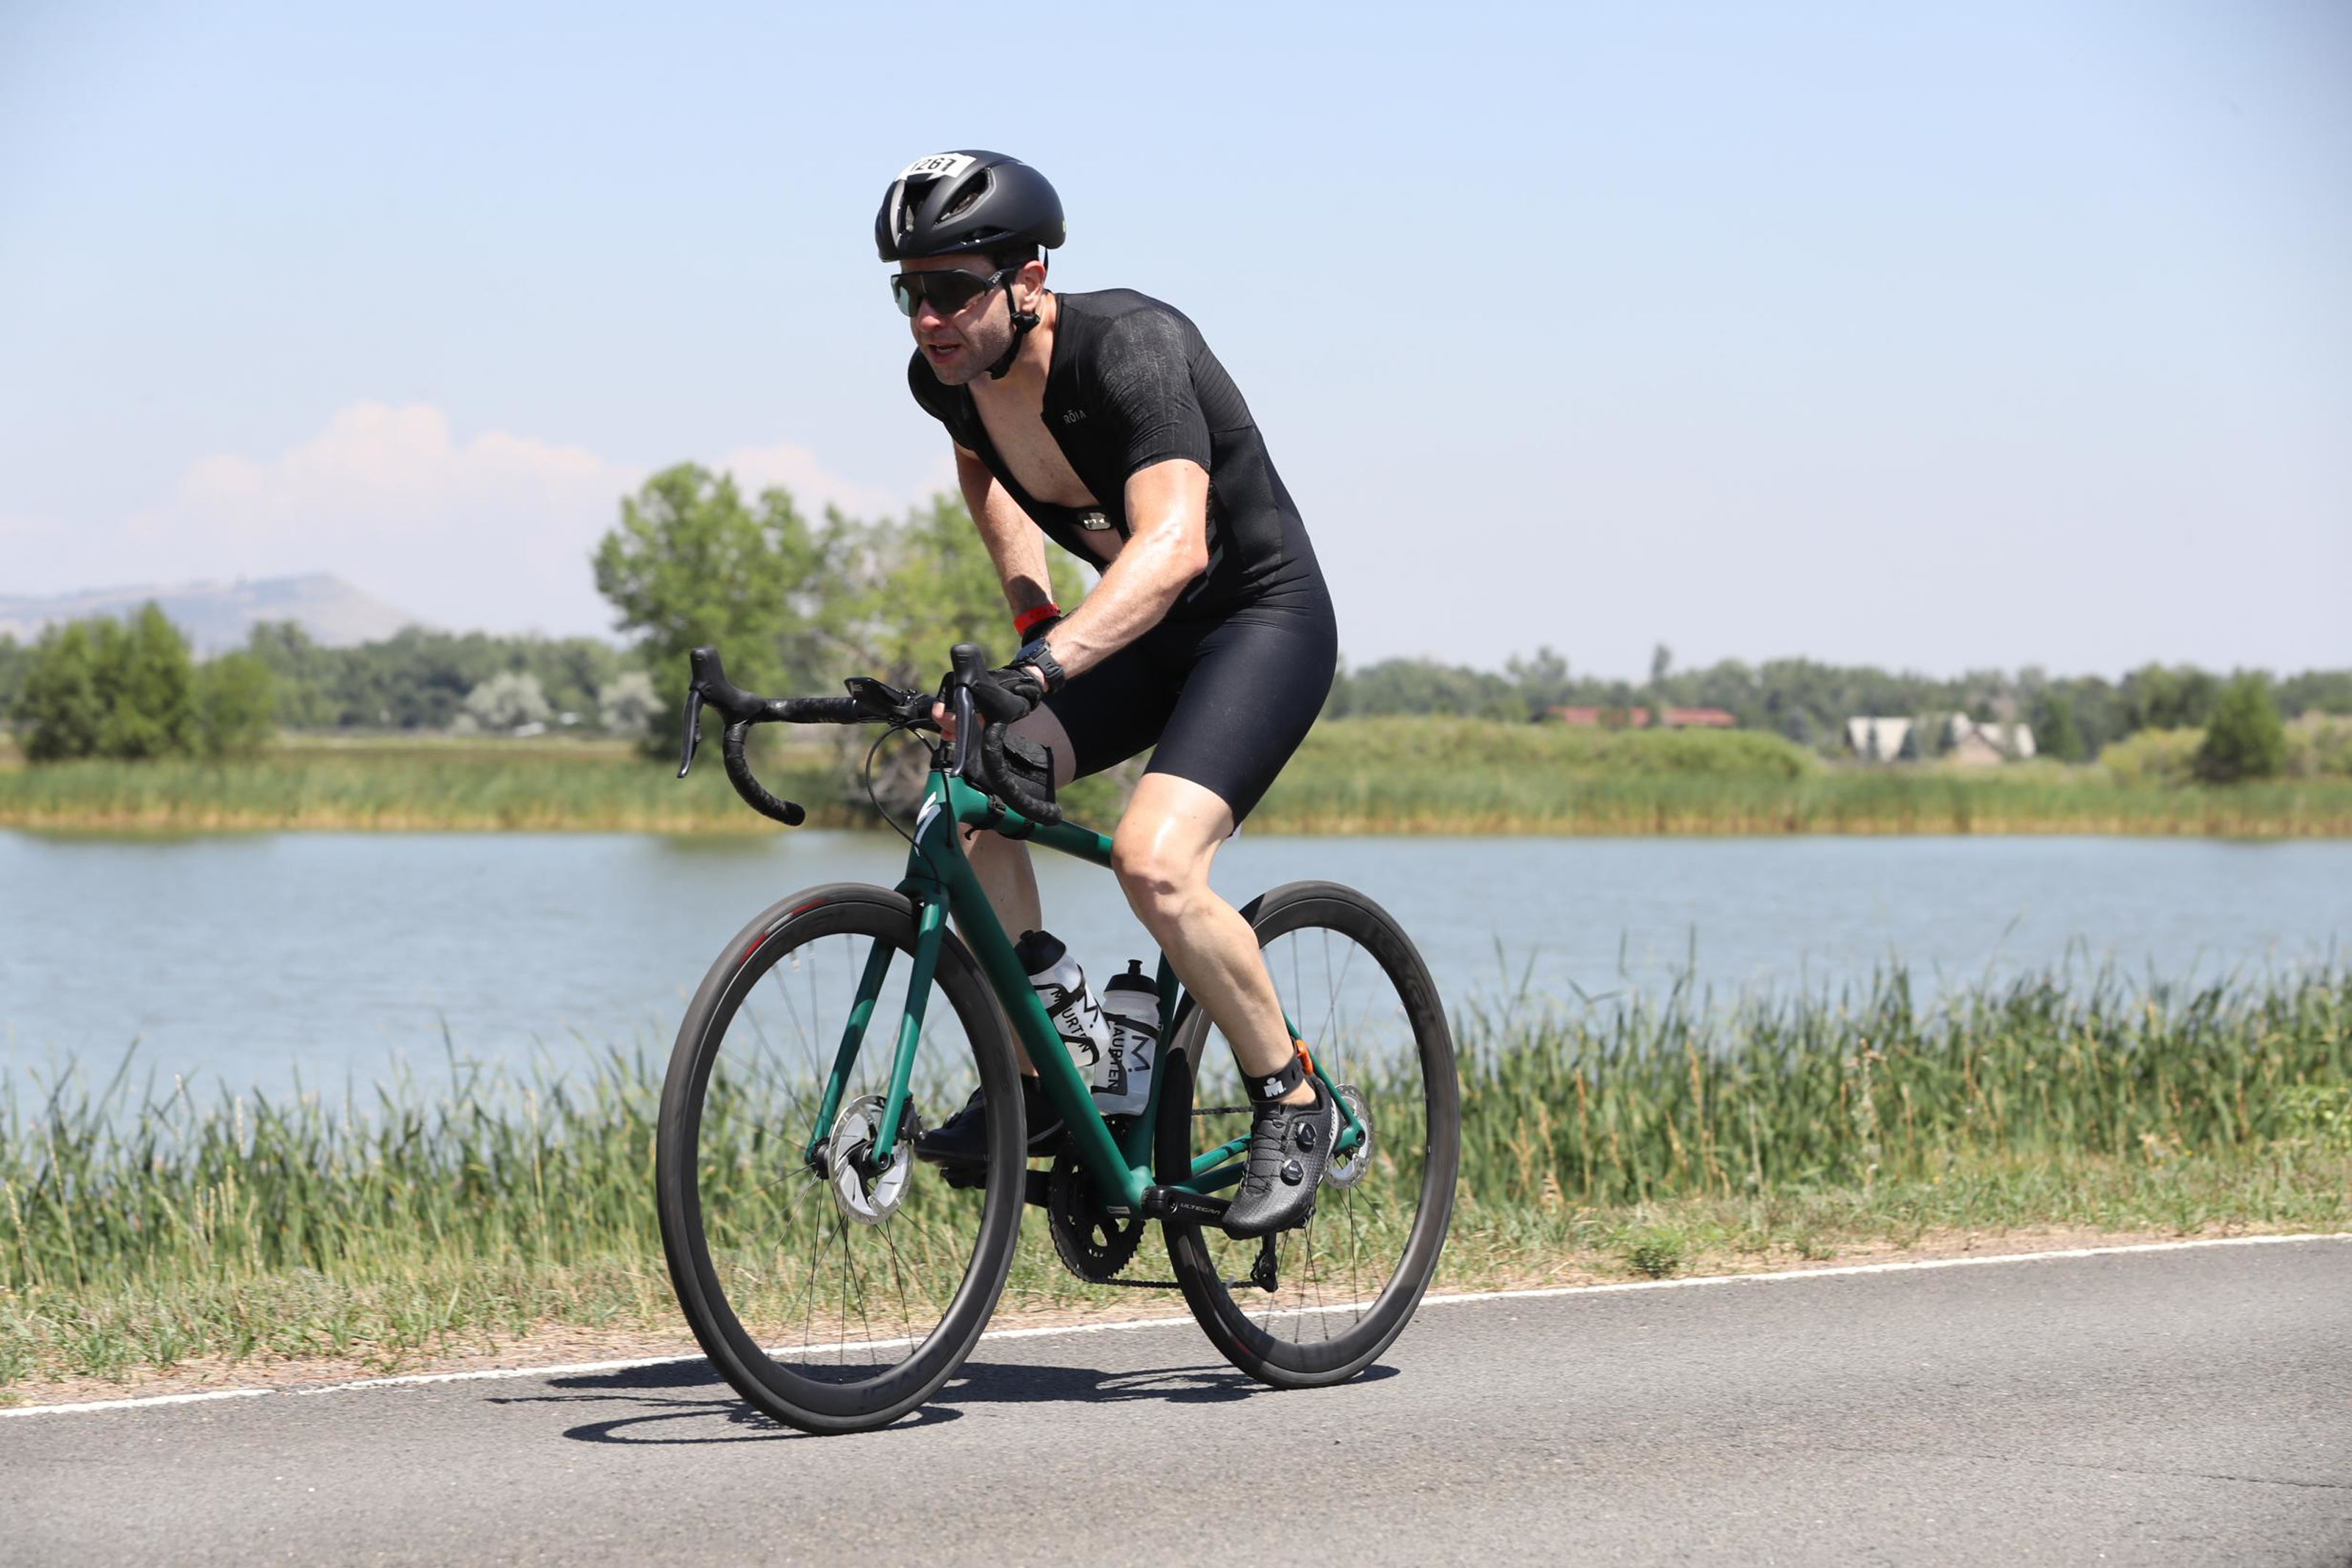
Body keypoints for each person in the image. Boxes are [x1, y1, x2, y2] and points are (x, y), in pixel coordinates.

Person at [881, 150, 1338, 1238]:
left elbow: (1174, 546)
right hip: (1130, 633)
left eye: (953, 289)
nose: (930, 317)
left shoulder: (1131, 348)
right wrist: (1033, 617)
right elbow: (983, 469)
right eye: (910, 291)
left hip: (1256, 624)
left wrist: (1045, 668)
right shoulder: (947, 377)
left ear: (1028, 280)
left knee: (1153, 862)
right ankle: (1052, 1062)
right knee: (967, 787)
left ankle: (1292, 1097)